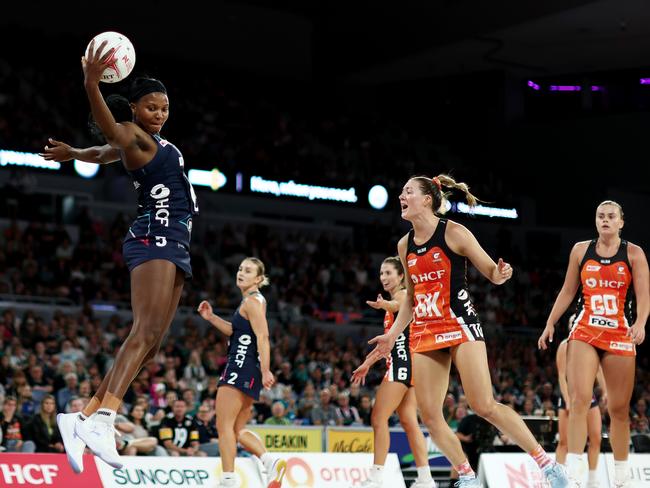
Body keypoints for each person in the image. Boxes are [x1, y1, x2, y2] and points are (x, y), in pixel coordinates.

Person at [42, 39, 198, 473]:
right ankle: (105, 417)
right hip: (155, 235)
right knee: (143, 330)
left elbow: (103, 152)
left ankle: (84, 418)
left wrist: (75, 153)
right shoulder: (133, 134)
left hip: (177, 243)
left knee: (152, 344)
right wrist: (91, 85)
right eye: (152, 107)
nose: (160, 114)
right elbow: (112, 135)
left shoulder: (150, 143)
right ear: (134, 108)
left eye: (165, 107)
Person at [368, 175, 568, 488]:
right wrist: (392, 335)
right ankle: (466, 476)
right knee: (431, 416)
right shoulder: (404, 244)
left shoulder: (454, 232)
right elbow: (411, 298)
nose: (401, 197)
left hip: (459, 324)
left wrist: (501, 274)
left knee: (483, 404)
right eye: (402, 192)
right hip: (425, 330)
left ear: (428, 200)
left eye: (408, 192)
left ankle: (547, 465)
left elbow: (491, 272)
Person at [539, 200, 648, 488]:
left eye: (611, 216)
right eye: (601, 216)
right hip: (585, 329)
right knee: (579, 401)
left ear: (621, 222)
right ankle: (573, 475)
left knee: (619, 409)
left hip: (619, 332)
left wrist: (641, 322)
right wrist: (550, 322)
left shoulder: (634, 253)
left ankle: (622, 477)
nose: (605, 220)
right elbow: (567, 290)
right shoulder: (580, 250)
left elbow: (644, 296)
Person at [198, 257, 286, 488]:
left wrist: (267, 370)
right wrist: (211, 318)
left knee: (223, 426)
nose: (241, 273)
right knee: (237, 429)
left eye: (248, 271)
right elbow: (236, 332)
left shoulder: (252, 303)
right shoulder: (252, 301)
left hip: (241, 366)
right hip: (249, 369)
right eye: (240, 269)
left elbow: (263, 337)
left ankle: (228, 479)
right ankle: (270, 461)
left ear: (258, 279)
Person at [351, 256, 435, 488]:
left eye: (388, 273)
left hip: (402, 365)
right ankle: (426, 479)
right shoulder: (397, 302)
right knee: (409, 421)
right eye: (381, 273)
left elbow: (397, 304)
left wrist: (384, 305)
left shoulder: (402, 296)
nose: (384, 278)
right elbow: (387, 343)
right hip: (410, 367)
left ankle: (377, 477)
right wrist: (367, 362)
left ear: (401, 276)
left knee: (378, 417)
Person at [555, 316, 606, 488]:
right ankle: (559, 480)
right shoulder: (565, 346)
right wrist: (568, 400)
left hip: (588, 395)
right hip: (570, 396)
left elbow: (598, 371)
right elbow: (561, 375)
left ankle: (592, 480)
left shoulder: (591, 346)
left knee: (596, 438)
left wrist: (606, 391)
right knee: (564, 442)